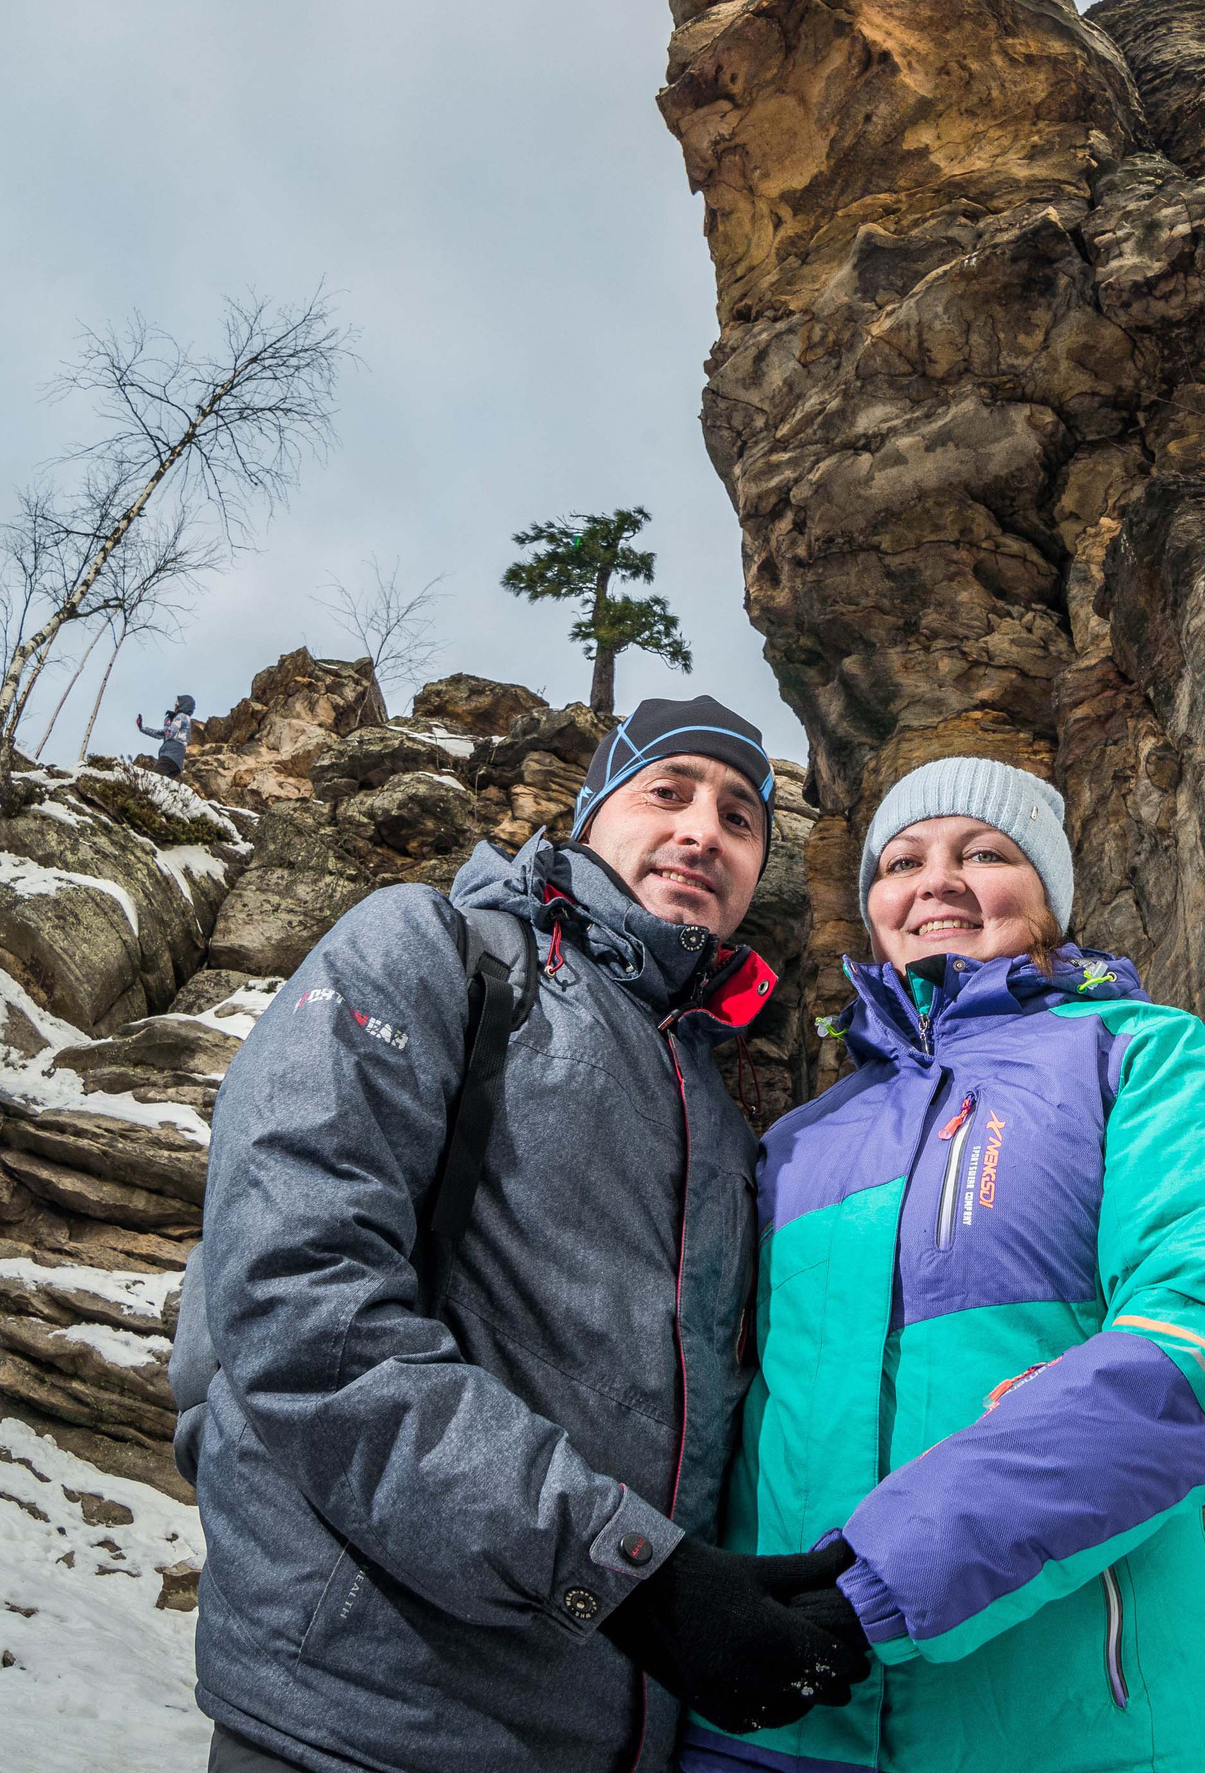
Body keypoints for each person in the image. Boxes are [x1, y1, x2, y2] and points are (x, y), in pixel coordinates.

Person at [173, 697, 869, 1773]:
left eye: (741, 818)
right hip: (360, 1720)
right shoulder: (435, 951)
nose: (701, 831)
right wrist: (632, 1577)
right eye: (667, 791)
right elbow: (295, 1297)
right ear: (590, 815)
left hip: (594, 1735)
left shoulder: (720, 1114)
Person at [684, 756, 1205, 1773]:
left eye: (984, 852)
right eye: (901, 861)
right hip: (772, 1731)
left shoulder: (1135, 1057)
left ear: (1049, 896)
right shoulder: (795, 1142)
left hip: (1066, 1726)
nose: (935, 881)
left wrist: (882, 1583)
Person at [138, 693, 194, 776]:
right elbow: (163, 734)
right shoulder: (184, 718)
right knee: (163, 784)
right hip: (177, 761)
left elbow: (169, 733)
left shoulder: (181, 716)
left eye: (177, 705)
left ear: (183, 705)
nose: (175, 707)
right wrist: (142, 728)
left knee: (155, 779)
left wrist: (168, 723)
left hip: (170, 755)